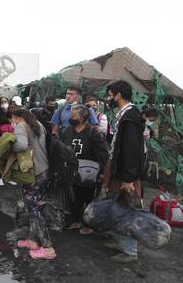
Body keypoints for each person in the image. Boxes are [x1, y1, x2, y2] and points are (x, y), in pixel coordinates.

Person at [101, 80, 145, 263]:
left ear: (118, 95)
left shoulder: (131, 116)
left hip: (127, 173)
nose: (108, 99)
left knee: (128, 208)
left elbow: (132, 150)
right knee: (117, 206)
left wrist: (128, 179)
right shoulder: (124, 114)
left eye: (110, 95)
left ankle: (130, 251)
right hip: (119, 169)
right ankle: (121, 242)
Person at [10, 108, 56, 260]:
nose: (12, 122)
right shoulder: (38, 124)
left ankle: (48, 248)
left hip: (33, 173)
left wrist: (10, 144)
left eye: (12, 119)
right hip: (44, 170)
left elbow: (21, 146)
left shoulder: (20, 125)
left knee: (35, 209)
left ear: (16, 117)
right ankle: (32, 241)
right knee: (34, 206)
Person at [63, 105, 109, 235]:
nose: (70, 118)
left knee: (89, 198)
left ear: (83, 118)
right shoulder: (67, 130)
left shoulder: (92, 132)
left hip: (89, 172)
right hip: (72, 171)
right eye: (70, 116)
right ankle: (76, 220)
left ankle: (89, 224)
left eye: (74, 116)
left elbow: (103, 153)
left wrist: (103, 173)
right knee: (74, 197)